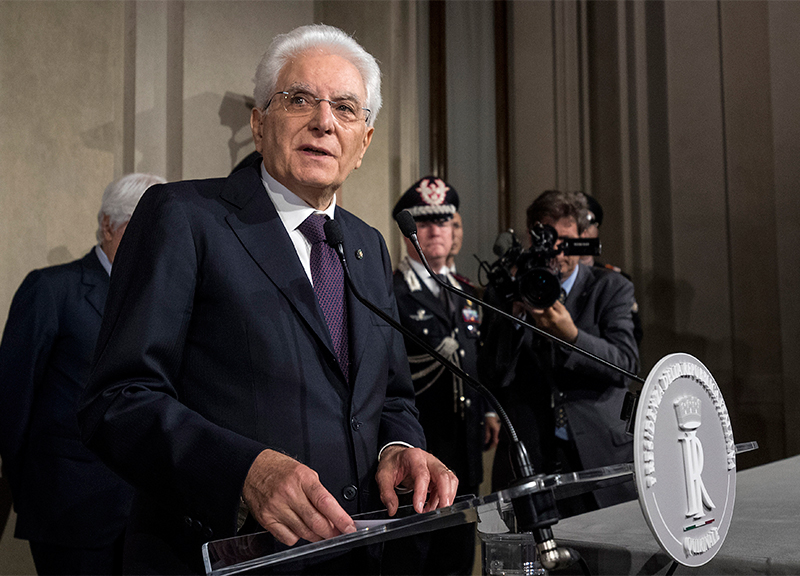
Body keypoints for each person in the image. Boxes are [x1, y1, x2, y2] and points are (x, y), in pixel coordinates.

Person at [78, 24, 457, 575]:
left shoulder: (368, 245)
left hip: (352, 555)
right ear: (259, 123)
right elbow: (117, 399)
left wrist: (395, 449)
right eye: (299, 99)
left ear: (363, 142)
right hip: (222, 558)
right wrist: (242, 473)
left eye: (346, 108)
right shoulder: (183, 217)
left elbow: (392, 396)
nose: (324, 121)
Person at [0, 172, 165, 575]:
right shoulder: (51, 289)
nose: (151, 244)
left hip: (150, 519)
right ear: (108, 225)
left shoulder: (164, 300)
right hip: (70, 512)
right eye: (138, 229)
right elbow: (11, 402)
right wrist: (33, 492)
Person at [479, 190, 639, 517]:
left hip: (600, 457)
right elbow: (490, 375)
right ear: (530, 237)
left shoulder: (611, 287)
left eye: (566, 240)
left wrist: (572, 337)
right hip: (528, 459)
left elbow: (625, 364)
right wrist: (515, 317)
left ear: (582, 240)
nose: (556, 252)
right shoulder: (505, 290)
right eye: (546, 238)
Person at [389, 177, 500, 575]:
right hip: (419, 443)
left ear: (455, 231)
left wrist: (488, 411)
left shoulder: (467, 291)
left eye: (444, 221)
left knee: (458, 551)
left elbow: (477, 357)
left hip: (464, 445)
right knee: (416, 553)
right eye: (426, 222)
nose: (436, 230)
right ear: (409, 233)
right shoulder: (392, 291)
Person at [578, 193, 643, 345]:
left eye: (588, 223)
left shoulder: (613, 279)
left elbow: (633, 334)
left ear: (596, 229)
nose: (583, 231)